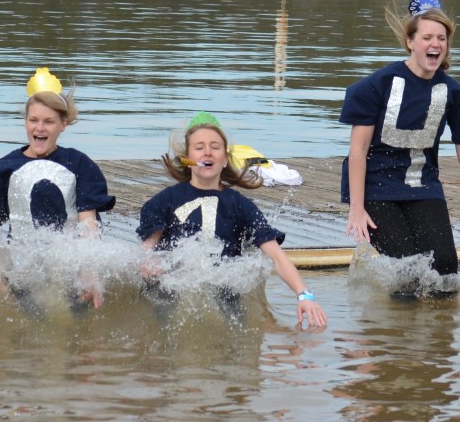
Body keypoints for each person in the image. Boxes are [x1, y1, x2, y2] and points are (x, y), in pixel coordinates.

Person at [340, 0, 460, 281]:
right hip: (376, 188)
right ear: (410, 42)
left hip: (422, 186)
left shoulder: (457, 95)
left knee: (445, 270)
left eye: (441, 38)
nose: (435, 44)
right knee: (408, 271)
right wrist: (356, 208)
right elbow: (358, 149)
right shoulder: (375, 86)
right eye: (427, 37)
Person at [137, 112, 327, 328]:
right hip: (173, 290)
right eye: (199, 147)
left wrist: (304, 296)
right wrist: (147, 261)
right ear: (187, 159)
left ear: (225, 159)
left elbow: (274, 254)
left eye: (215, 147)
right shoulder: (165, 200)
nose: (207, 151)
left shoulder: (240, 205)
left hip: (224, 293)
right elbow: (148, 245)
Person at [0, 68, 115, 314]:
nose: (40, 128)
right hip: (22, 267)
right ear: (25, 121)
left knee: (76, 330)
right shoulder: (5, 168)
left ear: (63, 125)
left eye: (49, 122)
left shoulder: (80, 164)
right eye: (33, 120)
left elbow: (88, 225)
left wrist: (89, 273)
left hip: (69, 267)